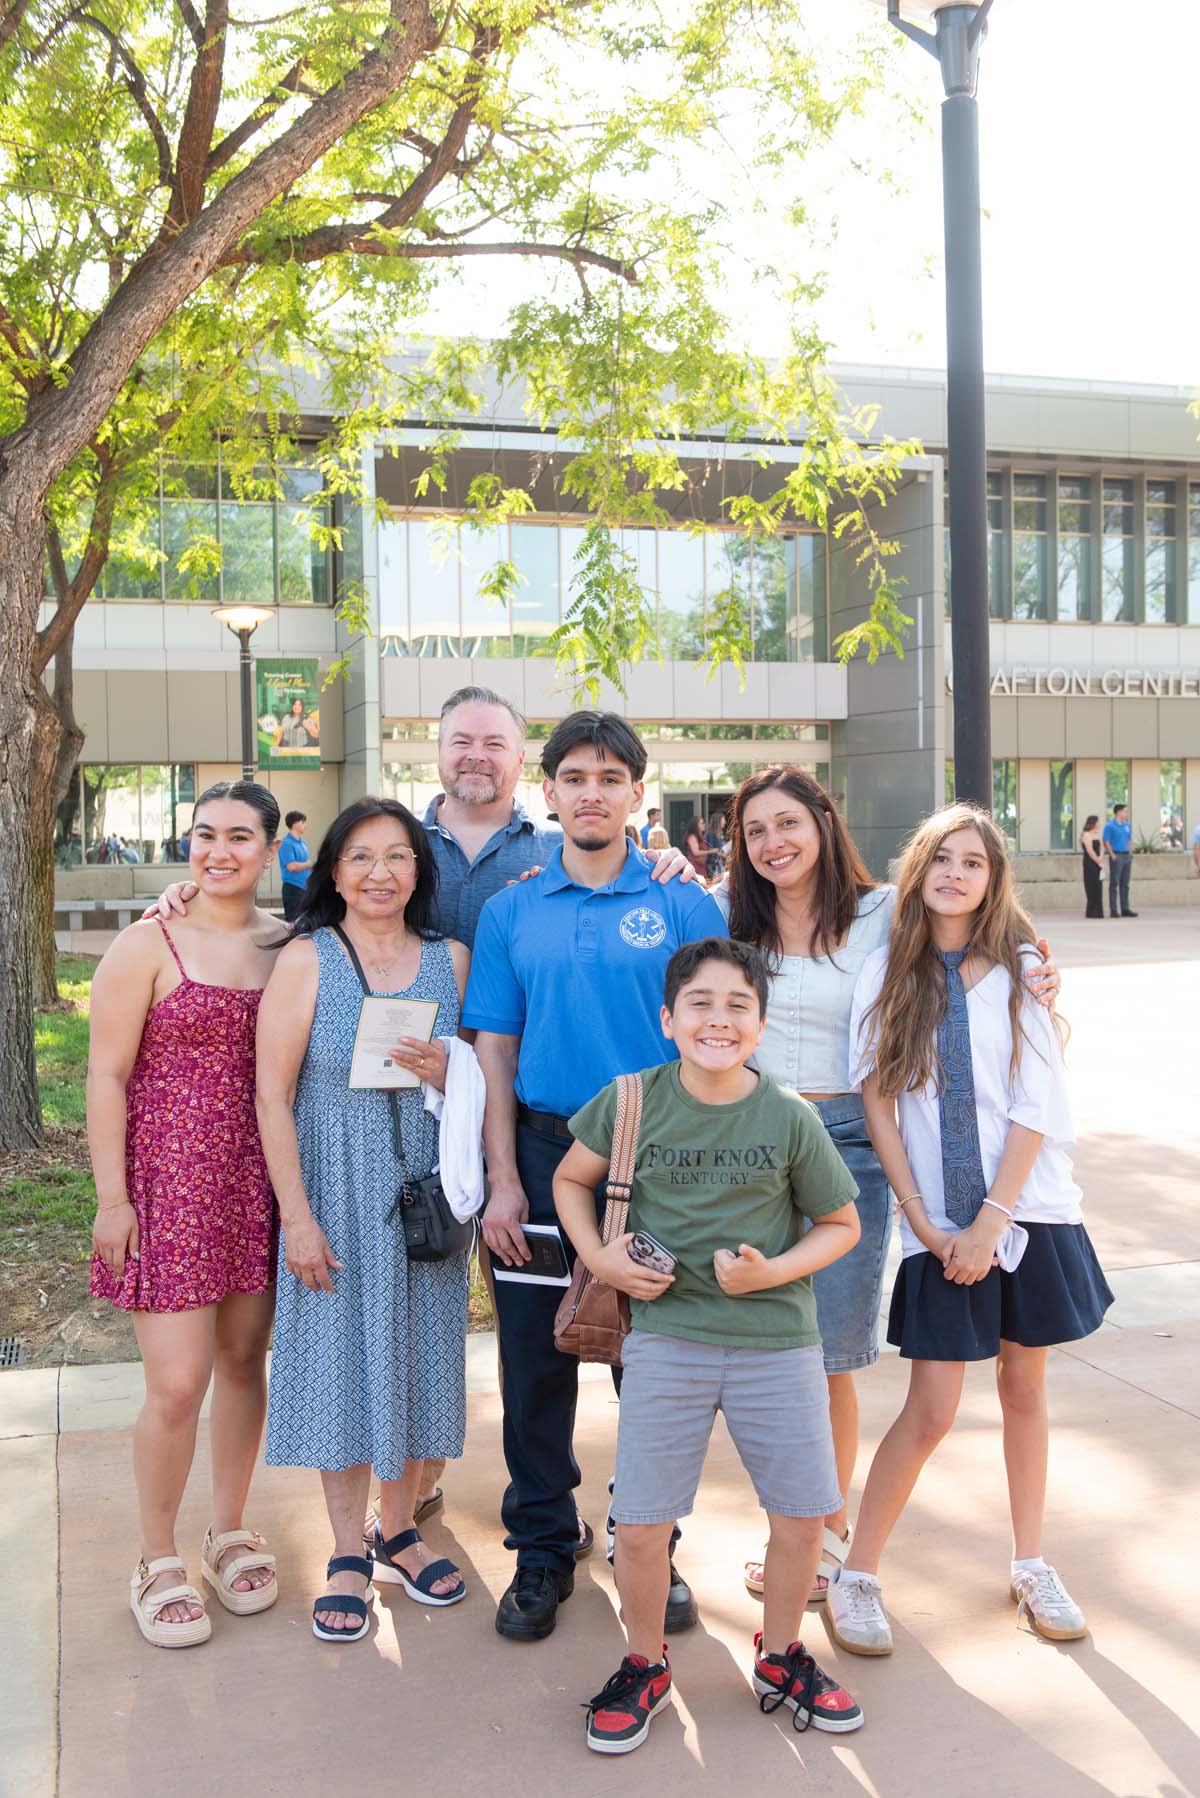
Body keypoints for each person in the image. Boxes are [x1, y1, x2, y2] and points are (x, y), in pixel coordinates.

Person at [715, 767, 1060, 1606]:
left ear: (825, 823)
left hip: (853, 1148)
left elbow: (971, 936)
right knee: (763, 1351)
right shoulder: (730, 919)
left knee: (828, 1353)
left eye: (789, 822)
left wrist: (1039, 965)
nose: (774, 844)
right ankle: (796, 1522)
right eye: (756, 830)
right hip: (755, 1142)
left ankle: (822, 1536)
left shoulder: (880, 914)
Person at [555, 938, 865, 1754]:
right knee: (644, 1524)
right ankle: (645, 1661)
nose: (718, 1019)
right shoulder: (631, 1101)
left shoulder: (791, 1116)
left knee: (802, 1518)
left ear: (761, 1025)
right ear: (668, 1017)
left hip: (779, 1344)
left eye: (738, 1006)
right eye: (700, 1002)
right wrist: (599, 1257)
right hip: (666, 1342)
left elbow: (841, 1224)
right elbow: (569, 1181)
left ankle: (782, 1651)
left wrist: (774, 1274)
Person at [463, 711, 728, 1642]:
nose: (592, 792)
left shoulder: (686, 905)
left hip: (662, 1159)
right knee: (537, 1361)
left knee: (653, 1365)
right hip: (542, 1152)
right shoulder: (512, 910)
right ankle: (542, 1546)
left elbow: (716, 1035)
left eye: (612, 778)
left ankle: (647, 1540)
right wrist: (503, 1176)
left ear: (636, 795)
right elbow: (494, 1050)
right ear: (549, 794)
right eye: (574, 776)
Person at [827, 804, 1112, 1656]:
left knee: (1026, 1388)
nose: (956, 873)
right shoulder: (884, 971)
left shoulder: (1021, 967)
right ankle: (859, 1575)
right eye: (941, 859)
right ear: (919, 871)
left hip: (1028, 1208)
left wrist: (993, 1220)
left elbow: (1037, 1102)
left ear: (994, 880)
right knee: (933, 1409)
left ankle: (1031, 1561)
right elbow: (877, 1098)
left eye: (974, 862)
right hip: (937, 1222)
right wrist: (924, 1219)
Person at [256, 797, 472, 1641]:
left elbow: (486, 1080)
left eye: (398, 856)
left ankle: (402, 1527)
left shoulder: (451, 959)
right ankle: (348, 1549)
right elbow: (272, 1095)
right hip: (335, 1189)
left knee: (420, 1353)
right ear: (333, 872)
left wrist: (449, 1074)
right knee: (342, 1361)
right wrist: (296, 1219)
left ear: (421, 871)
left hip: (424, 1193)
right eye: (360, 857)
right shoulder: (310, 958)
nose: (380, 873)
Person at [87, 781, 283, 1649]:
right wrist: (112, 1198)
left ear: (271, 849)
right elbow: (106, 1076)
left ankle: (229, 1530)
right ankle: (156, 1555)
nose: (218, 851)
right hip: (168, 1185)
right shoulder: (148, 942)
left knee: (244, 1360)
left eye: (240, 836)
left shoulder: (291, 946)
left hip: (259, 1183)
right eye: (204, 835)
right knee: (175, 1383)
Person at [1102, 802, 1136, 917]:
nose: (1126, 813)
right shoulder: (1110, 826)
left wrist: (1131, 853)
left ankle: (1125, 908)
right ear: (1119, 812)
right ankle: (1113, 910)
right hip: (1117, 855)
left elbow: (1129, 840)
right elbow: (1106, 841)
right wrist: (1112, 855)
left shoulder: (1127, 825)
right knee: (1114, 883)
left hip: (1127, 856)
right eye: (1125, 811)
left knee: (1125, 883)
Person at [278, 810, 312, 922]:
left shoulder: (302, 843)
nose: (304, 825)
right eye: (302, 822)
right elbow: (291, 866)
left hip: (304, 888)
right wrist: (307, 864)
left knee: (304, 921)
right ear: (295, 823)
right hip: (293, 889)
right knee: (292, 922)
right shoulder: (286, 843)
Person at [1080, 815, 1104, 918]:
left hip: (1098, 862)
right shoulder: (1086, 835)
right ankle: (1091, 910)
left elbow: (1102, 848)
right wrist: (1098, 861)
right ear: (1093, 823)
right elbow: (1090, 851)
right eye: (1098, 822)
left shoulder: (1097, 835)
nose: (1099, 823)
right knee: (1091, 885)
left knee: (1098, 886)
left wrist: (1101, 858)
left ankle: (1099, 911)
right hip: (1090, 863)